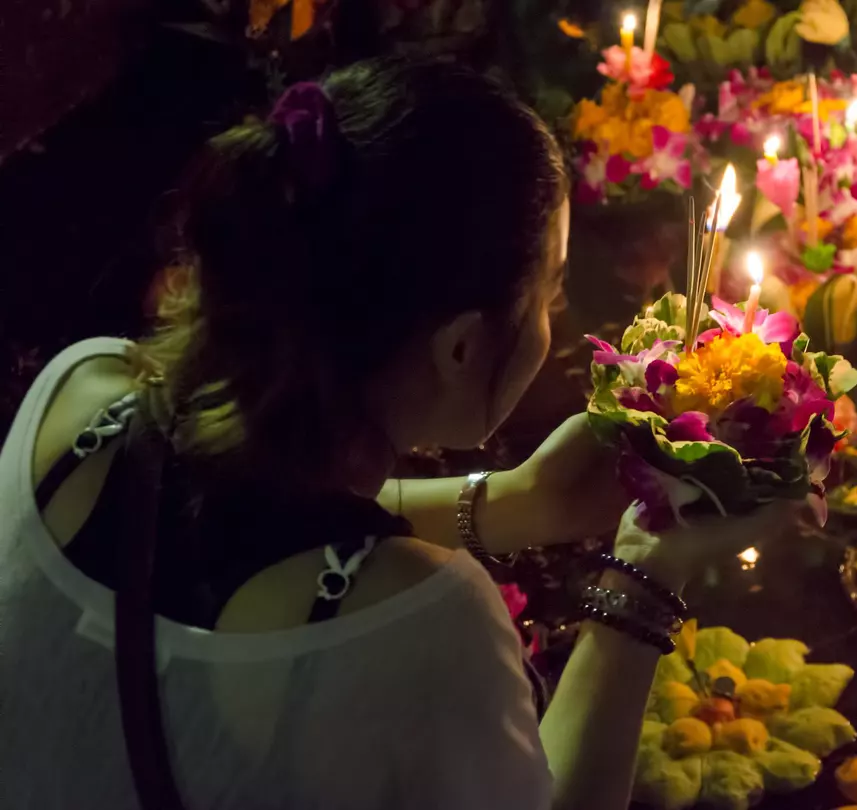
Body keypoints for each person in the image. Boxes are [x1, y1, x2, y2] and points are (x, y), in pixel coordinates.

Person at [0, 57, 786, 810]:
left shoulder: (78, 399)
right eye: (548, 294)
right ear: (460, 347)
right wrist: (644, 578)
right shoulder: (427, 633)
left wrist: (517, 502)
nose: (555, 322)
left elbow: (251, 530)